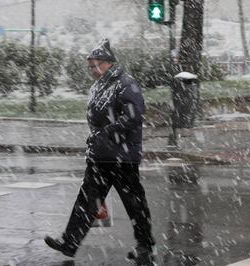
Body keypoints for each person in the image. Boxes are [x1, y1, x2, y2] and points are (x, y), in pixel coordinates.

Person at [44, 38, 156, 265]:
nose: (93, 70)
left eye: (97, 65)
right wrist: (97, 140)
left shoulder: (125, 83)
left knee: (134, 204)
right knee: (86, 201)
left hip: (122, 157)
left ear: (109, 63)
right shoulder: (98, 87)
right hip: (100, 155)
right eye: (91, 66)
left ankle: (145, 247)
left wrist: (109, 133)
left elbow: (134, 116)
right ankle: (69, 242)